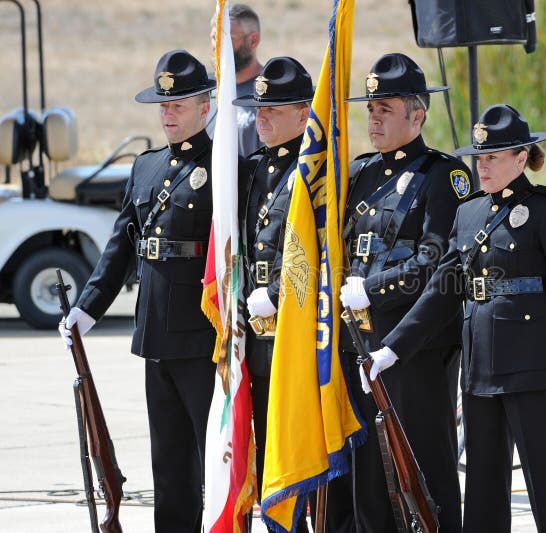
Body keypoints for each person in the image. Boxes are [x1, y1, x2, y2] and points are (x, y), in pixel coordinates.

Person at [369, 104, 546, 532]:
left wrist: (544, 329)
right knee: (483, 487)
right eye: (479, 157)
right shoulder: (469, 212)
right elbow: (443, 287)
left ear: (520, 157)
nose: (482, 166)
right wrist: (393, 347)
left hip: (534, 368)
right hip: (480, 371)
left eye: (493, 157)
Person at [58, 50, 218, 532]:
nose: (167, 115)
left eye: (178, 106)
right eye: (163, 107)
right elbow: (120, 247)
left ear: (205, 108)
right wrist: (87, 308)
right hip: (155, 334)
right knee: (168, 463)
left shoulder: (227, 166)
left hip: (205, 335)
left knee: (216, 459)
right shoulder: (146, 167)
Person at [326, 52, 472, 533]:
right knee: (368, 468)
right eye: (370, 109)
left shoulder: (441, 177)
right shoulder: (362, 173)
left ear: (417, 115)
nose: (373, 118)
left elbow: (435, 259)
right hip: (361, 342)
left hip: (415, 346)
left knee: (424, 464)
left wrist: (370, 288)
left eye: (384, 110)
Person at [232, 55, 314, 532]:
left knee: (297, 449)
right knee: (262, 442)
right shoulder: (253, 170)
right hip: (254, 332)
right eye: (258, 110)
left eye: (272, 111)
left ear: (304, 114)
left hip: (298, 330)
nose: (260, 119)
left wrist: (281, 294)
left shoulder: (315, 171)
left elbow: (322, 249)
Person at [207, 3, 263, 155]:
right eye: (214, 38)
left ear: (253, 41)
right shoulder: (206, 92)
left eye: (226, 39)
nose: (217, 47)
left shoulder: (270, 94)